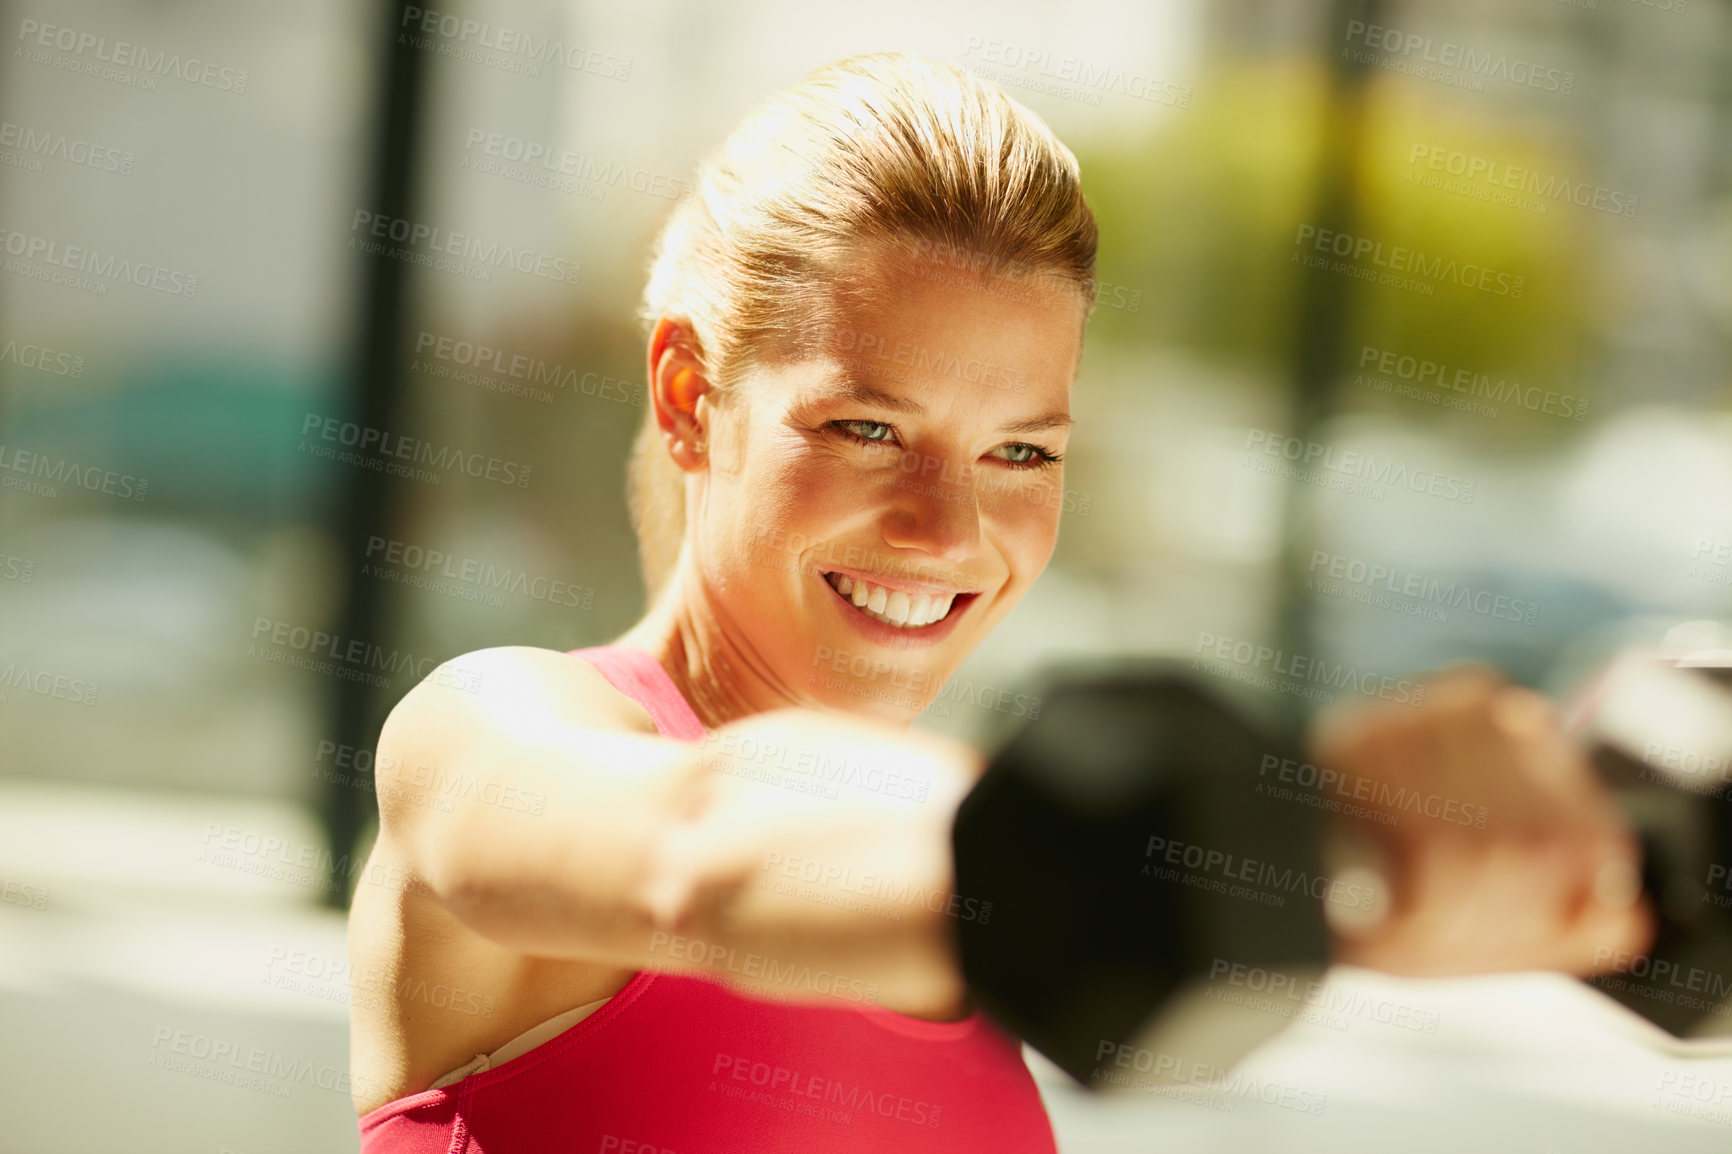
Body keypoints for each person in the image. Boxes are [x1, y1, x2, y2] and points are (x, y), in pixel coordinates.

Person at [346, 51, 1652, 1153]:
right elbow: (699, 851)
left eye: (1021, 450)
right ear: (691, 397)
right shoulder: (486, 732)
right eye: (868, 426)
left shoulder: (981, 920)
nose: (949, 528)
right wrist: (1321, 833)